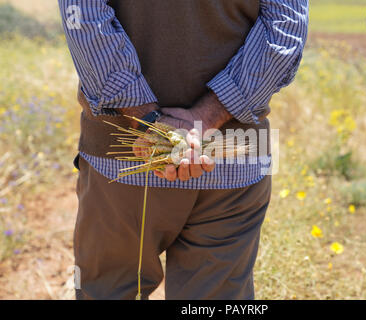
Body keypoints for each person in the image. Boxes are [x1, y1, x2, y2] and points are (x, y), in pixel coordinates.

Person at [58, 0, 308, 300]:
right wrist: (205, 118)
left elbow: (85, 18)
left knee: (109, 292)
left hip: (123, 157)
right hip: (234, 160)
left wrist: (151, 122)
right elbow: (286, 26)